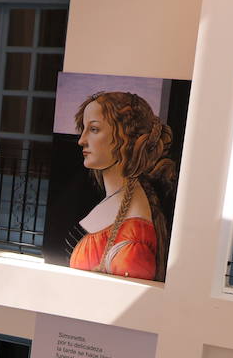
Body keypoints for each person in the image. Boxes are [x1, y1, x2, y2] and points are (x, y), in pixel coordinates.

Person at [65, 91, 177, 281]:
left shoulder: (133, 237)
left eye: (93, 129)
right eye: (83, 129)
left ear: (125, 138)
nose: (81, 140)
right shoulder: (119, 198)